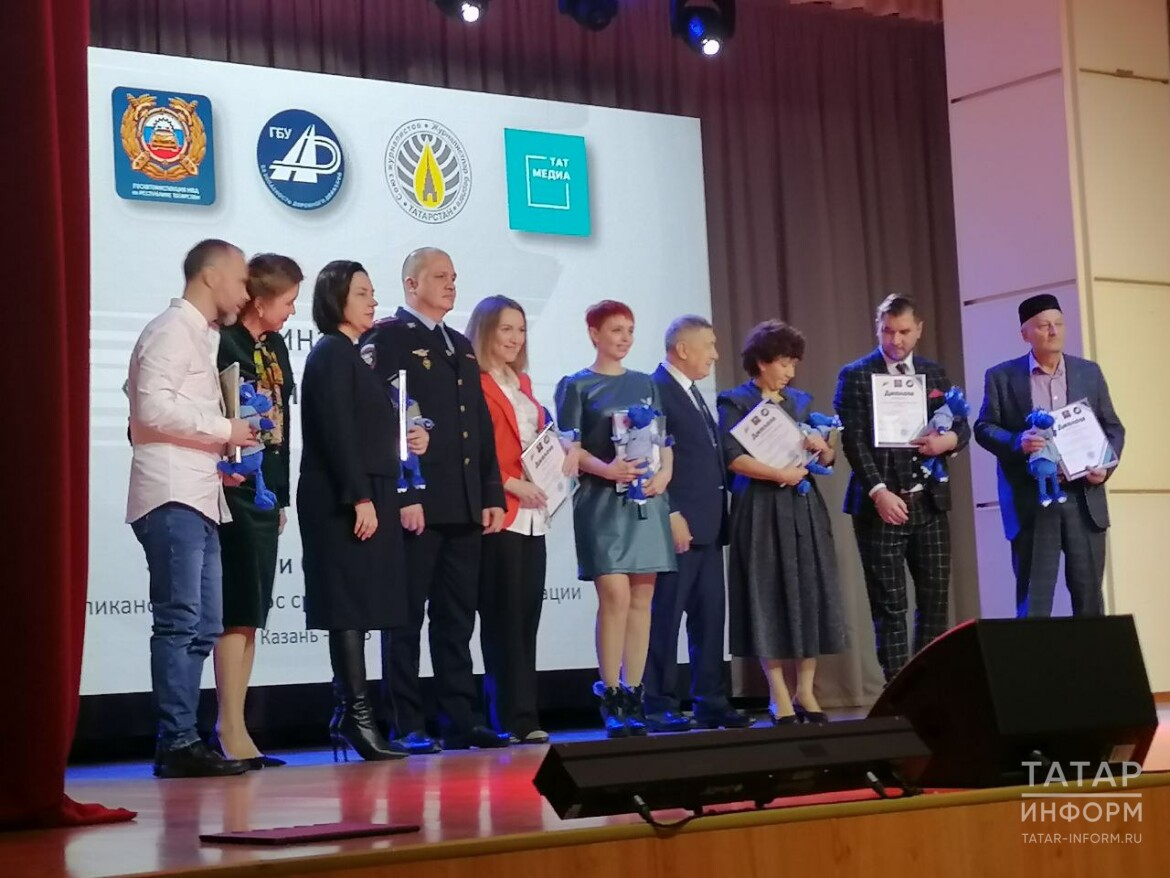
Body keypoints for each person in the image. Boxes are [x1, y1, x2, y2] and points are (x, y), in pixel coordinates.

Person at [360, 248, 510, 752]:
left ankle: (460, 719)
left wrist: (489, 491)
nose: (450, 284)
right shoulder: (389, 338)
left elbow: (478, 427)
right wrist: (405, 493)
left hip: (463, 504)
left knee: (456, 618)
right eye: (440, 276)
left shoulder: (460, 344)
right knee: (405, 618)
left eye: (454, 276)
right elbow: (384, 419)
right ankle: (406, 721)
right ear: (411, 283)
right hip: (418, 502)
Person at [126, 239, 255, 778]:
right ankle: (176, 741)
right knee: (180, 621)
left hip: (199, 494)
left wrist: (221, 451)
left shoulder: (199, 336)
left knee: (204, 625)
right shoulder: (171, 330)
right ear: (210, 276)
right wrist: (225, 428)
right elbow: (149, 406)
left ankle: (183, 738)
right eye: (242, 280)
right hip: (171, 494)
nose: (247, 293)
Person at [297, 260, 429, 761]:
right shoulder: (332, 352)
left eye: (373, 292)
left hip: (371, 489)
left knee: (363, 605)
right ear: (336, 299)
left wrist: (411, 438)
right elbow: (337, 432)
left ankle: (349, 712)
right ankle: (356, 715)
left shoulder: (354, 356)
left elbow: (368, 427)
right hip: (344, 499)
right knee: (348, 608)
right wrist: (359, 497)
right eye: (362, 293)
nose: (373, 301)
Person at [555, 300, 676, 738]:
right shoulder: (577, 385)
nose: (624, 338)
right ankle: (609, 693)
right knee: (614, 596)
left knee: (643, 598)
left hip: (646, 502)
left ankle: (634, 693)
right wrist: (608, 470)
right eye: (615, 330)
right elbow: (568, 447)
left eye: (629, 330)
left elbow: (663, 440)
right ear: (594, 334)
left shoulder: (645, 383)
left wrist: (664, 475)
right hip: (602, 502)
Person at [833, 295, 969, 683]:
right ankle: (898, 692)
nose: (896, 340)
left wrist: (949, 442)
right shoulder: (856, 374)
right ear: (878, 329)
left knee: (935, 600)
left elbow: (961, 425)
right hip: (881, 505)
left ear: (919, 330)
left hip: (929, 501)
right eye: (887, 331)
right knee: (890, 605)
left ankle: (928, 687)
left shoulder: (933, 373)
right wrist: (879, 491)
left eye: (904, 331)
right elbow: (853, 440)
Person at [718, 320, 845, 724]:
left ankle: (805, 690)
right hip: (759, 507)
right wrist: (778, 474)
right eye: (784, 363)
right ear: (762, 362)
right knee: (767, 594)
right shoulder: (735, 402)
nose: (790, 372)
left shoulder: (801, 402)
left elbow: (826, 457)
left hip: (801, 506)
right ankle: (778, 694)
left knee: (809, 592)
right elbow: (733, 458)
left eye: (794, 364)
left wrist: (823, 447)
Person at [467, 295, 580, 745]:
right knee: (502, 620)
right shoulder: (474, 383)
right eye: (506, 329)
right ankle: (507, 717)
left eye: (521, 329)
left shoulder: (525, 383)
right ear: (486, 331)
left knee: (526, 618)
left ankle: (525, 713)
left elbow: (537, 440)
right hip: (503, 513)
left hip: (536, 516)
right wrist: (510, 484)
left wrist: (564, 447)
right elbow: (473, 450)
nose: (515, 338)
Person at [973, 293, 1124, 617]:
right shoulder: (1002, 376)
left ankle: (1090, 654)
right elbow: (984, 427)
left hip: (1083, 499)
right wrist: (1017, 441)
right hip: (1032, 500)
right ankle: (1032, 653)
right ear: (1025, 333)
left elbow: (1113, 427)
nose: (1053, 332)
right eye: (1043, 326)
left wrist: (1106, 466)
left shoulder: (1088, 372)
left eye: (1059, 324)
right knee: (1035, 603)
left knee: (1089, 600)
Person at [211, 253, 301, 769]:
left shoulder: (276, 346)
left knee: (254, 614)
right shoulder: (224, 342)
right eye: (287, 302)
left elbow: (282, 425)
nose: (292, 312)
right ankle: (228, 725)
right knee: (237, 607)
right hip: (233, 487)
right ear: (260, 301)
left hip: (266, 491)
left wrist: (282, 497)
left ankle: (237, 723)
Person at [644, 316, 750, 732]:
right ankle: (658, 703)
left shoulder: (692, 392)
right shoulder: (656, 388)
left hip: (709, 526)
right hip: (678, 526)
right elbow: (652, 458)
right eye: (709, 345)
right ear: (683, 349)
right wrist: (670, 512)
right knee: (665, 619)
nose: (715, 354)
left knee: (709, 621)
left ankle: (711, 701)